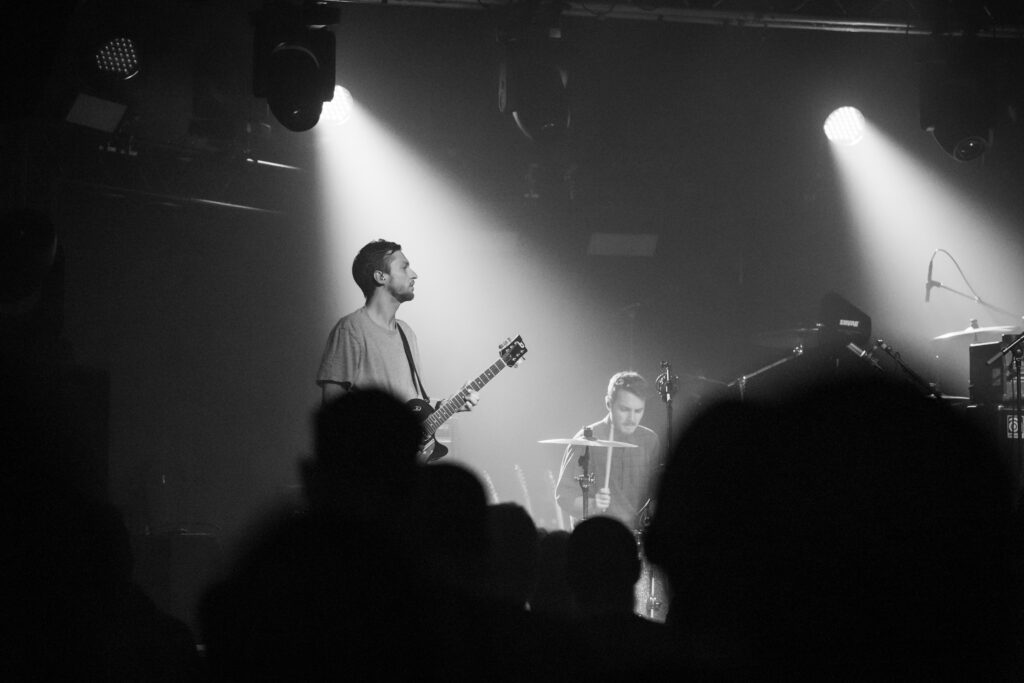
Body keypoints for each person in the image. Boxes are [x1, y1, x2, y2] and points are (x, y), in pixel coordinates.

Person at [316, 239, 477, 432]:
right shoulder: (350, 330)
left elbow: (414, 405)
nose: (414, 274)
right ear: (380, 276)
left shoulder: (406, 333)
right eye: (404, 268)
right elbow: (333, 408)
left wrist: (448, 405)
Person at [555, 371, 661, 529]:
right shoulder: (585, 441)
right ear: (608, 403)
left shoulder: (649, 440)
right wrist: (593, 505)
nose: (632, 418)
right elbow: (564, 495)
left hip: (636, 537)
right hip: (596, 535)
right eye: (624, 409)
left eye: (638, 411)